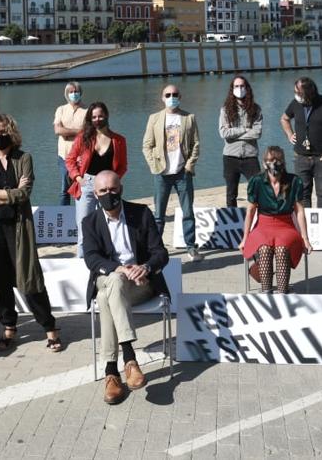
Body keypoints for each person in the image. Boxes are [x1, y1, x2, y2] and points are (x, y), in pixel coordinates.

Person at [0, 114, 63, 352]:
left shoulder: (24, 159)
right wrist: (9, 193)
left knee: (30, 279)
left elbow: (25, 194)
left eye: (3, 132)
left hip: (19, 228)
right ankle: (9, 327)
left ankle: (50, 328)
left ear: (11, 133)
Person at [80, 170, 169, 405]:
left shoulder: (141, 214)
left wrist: (146, 268)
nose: (108, 194)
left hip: (140, 283)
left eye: (112, 189)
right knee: (114, 283)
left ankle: (111, 372)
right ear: (95, 194)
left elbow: (160, 253)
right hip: (112, 277)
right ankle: (129, 359)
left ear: (121, 188)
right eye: (102, 191)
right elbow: (91, 258)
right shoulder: (89, 222)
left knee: (105, 296)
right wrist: (120, 269)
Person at [141, 84, 202, 261]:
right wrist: (154, 165)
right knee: (159, 216)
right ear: (162, 97)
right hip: (161, 173)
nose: (171, 97)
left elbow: (196, 144)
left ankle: (191, 247)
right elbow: (147, 145)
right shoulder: (154, 118)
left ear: (180, 96)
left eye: (175, 94)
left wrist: (190, 165)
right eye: (168, 94)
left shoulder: (189, 118)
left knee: (188, 212)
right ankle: (155, 249)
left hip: (183, 173)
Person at [241, 146, 311, 294]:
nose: (274, 164)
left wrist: (305, 238)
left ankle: (282, 291)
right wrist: (245, 237)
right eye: (270, 161)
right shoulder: (256, 181)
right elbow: (251, 211)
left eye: (277, 161)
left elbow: (299, 211)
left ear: (283, 162)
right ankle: (266, 291)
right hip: (263, 225)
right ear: (264, 163)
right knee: (265, 249)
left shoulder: (294, 181)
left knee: (282, 248)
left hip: (286, 226)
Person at [66, 101, 128, 257]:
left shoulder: (119, 140)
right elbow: (70, 160)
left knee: (110, 226)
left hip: (108, 187)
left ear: (106, 116)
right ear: (90, 119)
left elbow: (123, 166)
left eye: (100, 116)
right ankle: (82, 261)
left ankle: (109, 260)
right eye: (94, 117)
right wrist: (78, 178)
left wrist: (114, 180)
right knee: (84, 226)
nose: (98, 119)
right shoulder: (84, 138)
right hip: (86, 184)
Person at [280, 77, 322, 208]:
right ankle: (306, 223)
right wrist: (290, 135)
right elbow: (284, 119)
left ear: (309, 91)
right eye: (295, 92)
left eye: (299, 92)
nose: (296, 95)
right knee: (303, 193)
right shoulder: (295, 104)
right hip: (301, 157)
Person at [219, 75, 263, 209]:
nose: (239, 89)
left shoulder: (256, 109)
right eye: (236, 86)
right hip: (230, 156)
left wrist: (235, 134)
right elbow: (224, 133)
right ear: (232, 89)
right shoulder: (225, 109)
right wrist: (245, 129)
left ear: (247, 88)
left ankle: (258, 217)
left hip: (250, 156)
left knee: (258, 189)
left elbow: (257, 132)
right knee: (231, 193)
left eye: (242, 86)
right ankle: (232, 221)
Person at [53, 81, 87, 206]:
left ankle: (82, 214)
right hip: (64, 156)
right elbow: (57, 130)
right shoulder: (61, 110)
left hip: (81, 156)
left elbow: (88, 132)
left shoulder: (87, 110)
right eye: (71, 92)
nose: (74, 94)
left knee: (81, 188)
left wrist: (66, 132)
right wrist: (78, 131)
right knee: (64, 189)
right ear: (67, 94)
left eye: (76, 91)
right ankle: (63, 214)